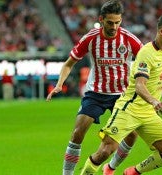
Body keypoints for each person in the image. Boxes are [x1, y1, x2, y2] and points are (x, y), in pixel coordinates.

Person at [79, 13, 162, 175]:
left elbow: (156, 74)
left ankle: (132, 172)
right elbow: (139, 85)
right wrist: (154, 101)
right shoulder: (146, 53)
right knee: (105, 151)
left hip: (148, 113)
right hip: (129, 109)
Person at [46, 1, 143, 175]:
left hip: (122, 95)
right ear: (101, 19)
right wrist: (60, 84)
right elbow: (69, 64)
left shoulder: (129, 39)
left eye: (117, 22)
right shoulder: (91, 38)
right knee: (77, 133)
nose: (114, 26)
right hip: (96, 93)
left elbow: (148, 63)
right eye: (110, 22)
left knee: (132, 135)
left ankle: (110, 168)